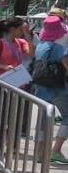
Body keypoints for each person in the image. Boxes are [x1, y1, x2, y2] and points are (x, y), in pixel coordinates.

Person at [32, 13, 68, 164]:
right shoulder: (58, 47)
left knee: (43, 120)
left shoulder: (40, 45)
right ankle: (56, 150)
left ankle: (39, 154)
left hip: (41, 87)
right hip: (56, 88)